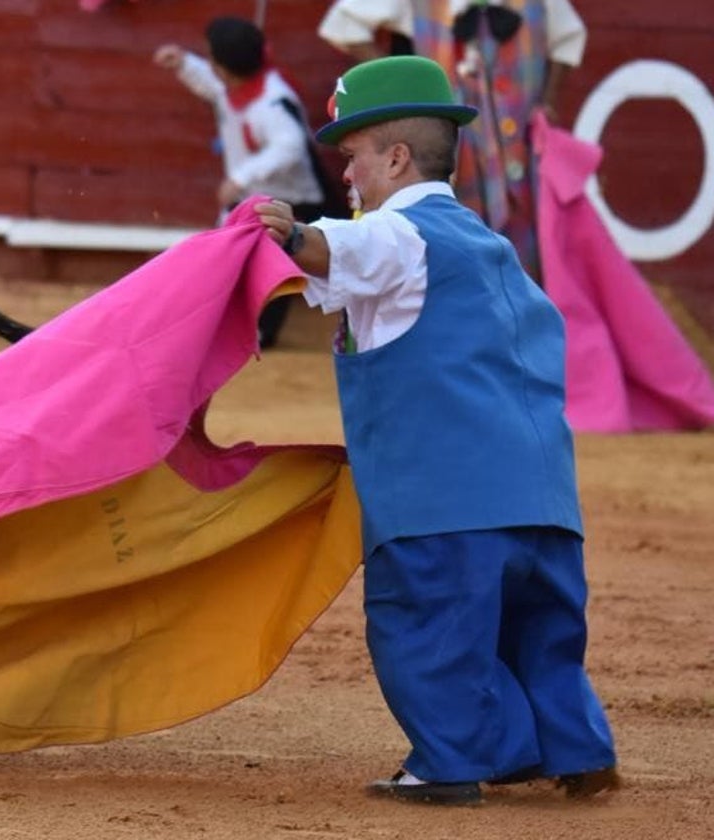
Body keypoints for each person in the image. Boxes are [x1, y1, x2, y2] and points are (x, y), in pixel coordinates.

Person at [253, 54, 619, 806]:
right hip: (546, 505)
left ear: (395, 156)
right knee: (539, 637)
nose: (346, 176)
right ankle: (576, 752)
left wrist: (286, 232)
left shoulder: (397, 237)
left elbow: (339, 251)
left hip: (443, 507)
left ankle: (446, 765)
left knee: (428, 631)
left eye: (352, 157)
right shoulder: (493, 251)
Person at [317, 0, 587, 283]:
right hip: (451, 135)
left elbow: (568, 38)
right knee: (448, 233)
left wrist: (547, 102)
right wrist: (402, 84)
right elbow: (345, 25)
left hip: (517, 138)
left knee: (528, 236)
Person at [154, 16, 346, 348]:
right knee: (228, 259)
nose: (210, 65)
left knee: (277, 263)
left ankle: (256, 332)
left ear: (225, 68)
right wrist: (184, 64)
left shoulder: (273, 101)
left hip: (293, 200)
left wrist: (242, 176)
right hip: (256, 198)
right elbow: (215, 88)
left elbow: (290, 147)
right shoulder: (240, 86)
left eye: (210, 58)